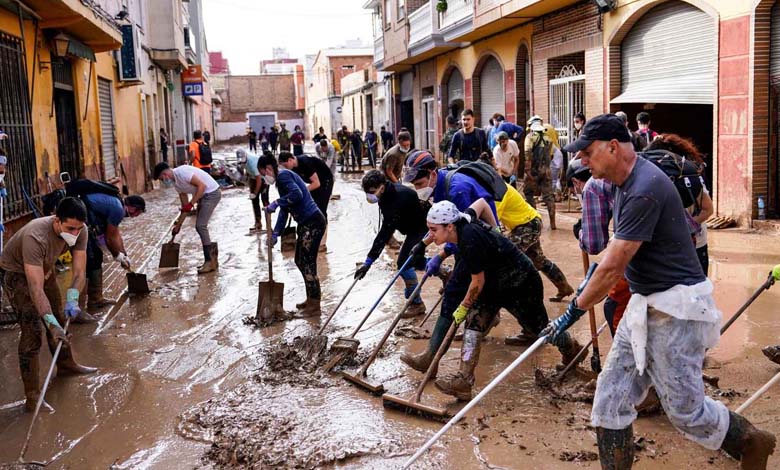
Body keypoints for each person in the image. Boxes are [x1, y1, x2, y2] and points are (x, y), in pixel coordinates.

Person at [546, 113, 776, 469]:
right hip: (645, 303)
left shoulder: (644, 189)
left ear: (612, 147)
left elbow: (613, 266)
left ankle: (751, 441)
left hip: (677, 309)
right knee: (610, 400)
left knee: (687, 412)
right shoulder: (622, 184)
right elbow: (612, 255)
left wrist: (572, 310)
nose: (582, 161)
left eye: (588, 153)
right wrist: (590, 280)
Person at [425, 200, 581, 400]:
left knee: (539, 328)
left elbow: (476, 282)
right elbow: (479, 206)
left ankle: (572, 348)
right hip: (494, 285)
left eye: (433, 230)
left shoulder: (469, 238)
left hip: (520, 282)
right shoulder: (461, 230)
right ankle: (464, 380)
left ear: (449, 226)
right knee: (474, 324)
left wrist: (463, 307)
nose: (431, 235)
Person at [400, 150, 500, 374]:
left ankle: (432, 359)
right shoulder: (438, 187)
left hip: (482, 241)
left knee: (458, 293)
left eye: (420, 182)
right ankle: (432, 357)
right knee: (459, 294)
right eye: (414, 185)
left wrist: (440, 255)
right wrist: (423, 245)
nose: (418, 189)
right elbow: (441, 224)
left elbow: (460, 232)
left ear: (433, 173)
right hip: (468, 241)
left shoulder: (457, 190)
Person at [0, 197, 97, 412]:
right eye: (69, 228)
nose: (73, 234)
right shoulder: (36, 236)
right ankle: (33, 396)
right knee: (34, 331)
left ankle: (65, 364)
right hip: (16, 274)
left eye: (77, 229)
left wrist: (72, 296)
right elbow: (35, 289)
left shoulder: (81, 230)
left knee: (61, 319)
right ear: (56, 221)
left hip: (44, 267)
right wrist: (49, 322)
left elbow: (80, 272)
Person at [258, 154, 327, 316]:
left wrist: (276, 202)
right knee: (299, 260)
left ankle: (314, 306)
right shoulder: (281, 181)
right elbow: (285, 210)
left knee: (307, 263)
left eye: (263, 173)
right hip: (306, 223)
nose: (264, 177)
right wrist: (276, 233)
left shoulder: (283, 176)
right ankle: (311, 299)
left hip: (313, 222)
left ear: (269, 168)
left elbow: (297, 195)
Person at [356, 170, 430, 317]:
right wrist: (367, 262)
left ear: (382, 186)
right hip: (410, 227)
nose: (369, 196)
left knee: (404, 263)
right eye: (367, 192)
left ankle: (416, 304)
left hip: (421, 228)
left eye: (372, 191)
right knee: (416, 261)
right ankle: (443, 270)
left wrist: (369, 261)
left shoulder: (397, 197)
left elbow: (385, 232)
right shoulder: (385, 195)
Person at [568, 159, 628, 336]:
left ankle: (628, 361)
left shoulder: (593, 186)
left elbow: (593, 245)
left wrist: (581, 232)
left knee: (614, 307)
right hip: (682, 252)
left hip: (641, 259)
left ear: (575, 182)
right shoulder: (630, 171)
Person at [644, 134, 713, 274]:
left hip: (673, 245)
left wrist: (683, 229)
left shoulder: (688, 176)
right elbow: (708, 209)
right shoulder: (691, 174)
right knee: (697, 290)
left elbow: (708, 209)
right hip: (694, 242)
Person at [497, 181, 573, 305]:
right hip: (529, 222)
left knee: (508, 260)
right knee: (538, 260)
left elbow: (493, 222)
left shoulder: (497, 192)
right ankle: (563, 286)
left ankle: (519, 297)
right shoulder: (499, 186)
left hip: (526, 225)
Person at [79, 186, 146, 318]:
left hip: (86, 221)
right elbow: (109, 238)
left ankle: (96, 299)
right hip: (80, 223)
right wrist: (117, 256)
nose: (136, 216)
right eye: (138, 212)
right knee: (88, 262)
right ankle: (79, 308)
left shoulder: (117, 206)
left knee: (96, 257)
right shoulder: (118, 209)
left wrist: (124, 255)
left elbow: (116, 234)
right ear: (133, 207)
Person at [154, 162, 221, 274]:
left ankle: (209, 261)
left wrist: (192, 203)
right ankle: (212, 260)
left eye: (161, 179)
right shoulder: (177, 185)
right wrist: (178, 225)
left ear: (165, 174)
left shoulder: (182, 172)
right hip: (203, 196)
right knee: (201, 226)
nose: (163, 181)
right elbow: (185, 207)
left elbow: (202, 186)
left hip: (212, 193)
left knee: (200, 226)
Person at [278, 152, 334, 221]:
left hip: (325, 181)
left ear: (290, 160)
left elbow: (316, 183)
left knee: (320, 208)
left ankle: (324, 229)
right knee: (311, 206)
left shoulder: (305, 163)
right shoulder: (293, 168)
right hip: (314, 182)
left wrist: (302, 191)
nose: (286, 168)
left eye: (286, 166)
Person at [523, 116, 557, 229]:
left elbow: (527, 153)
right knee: (548, 196)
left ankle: (535, 220)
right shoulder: (548, 138)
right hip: (546, 170)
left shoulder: (530, 137)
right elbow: (551, 155)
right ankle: (553, 222)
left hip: (534, 171)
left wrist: (527, 170)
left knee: (528, 193)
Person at [238, 148, 269, 234]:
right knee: (254, 201)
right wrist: (251, 189)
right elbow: (248, 174)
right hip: (254, 178)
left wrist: (255, 193)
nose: (242, 162)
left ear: (246, 156)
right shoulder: (242, 161)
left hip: (263, 179)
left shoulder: (252, 162)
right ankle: (258, 224)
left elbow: (259, 180)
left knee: (265, 201)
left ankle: (269, 224)